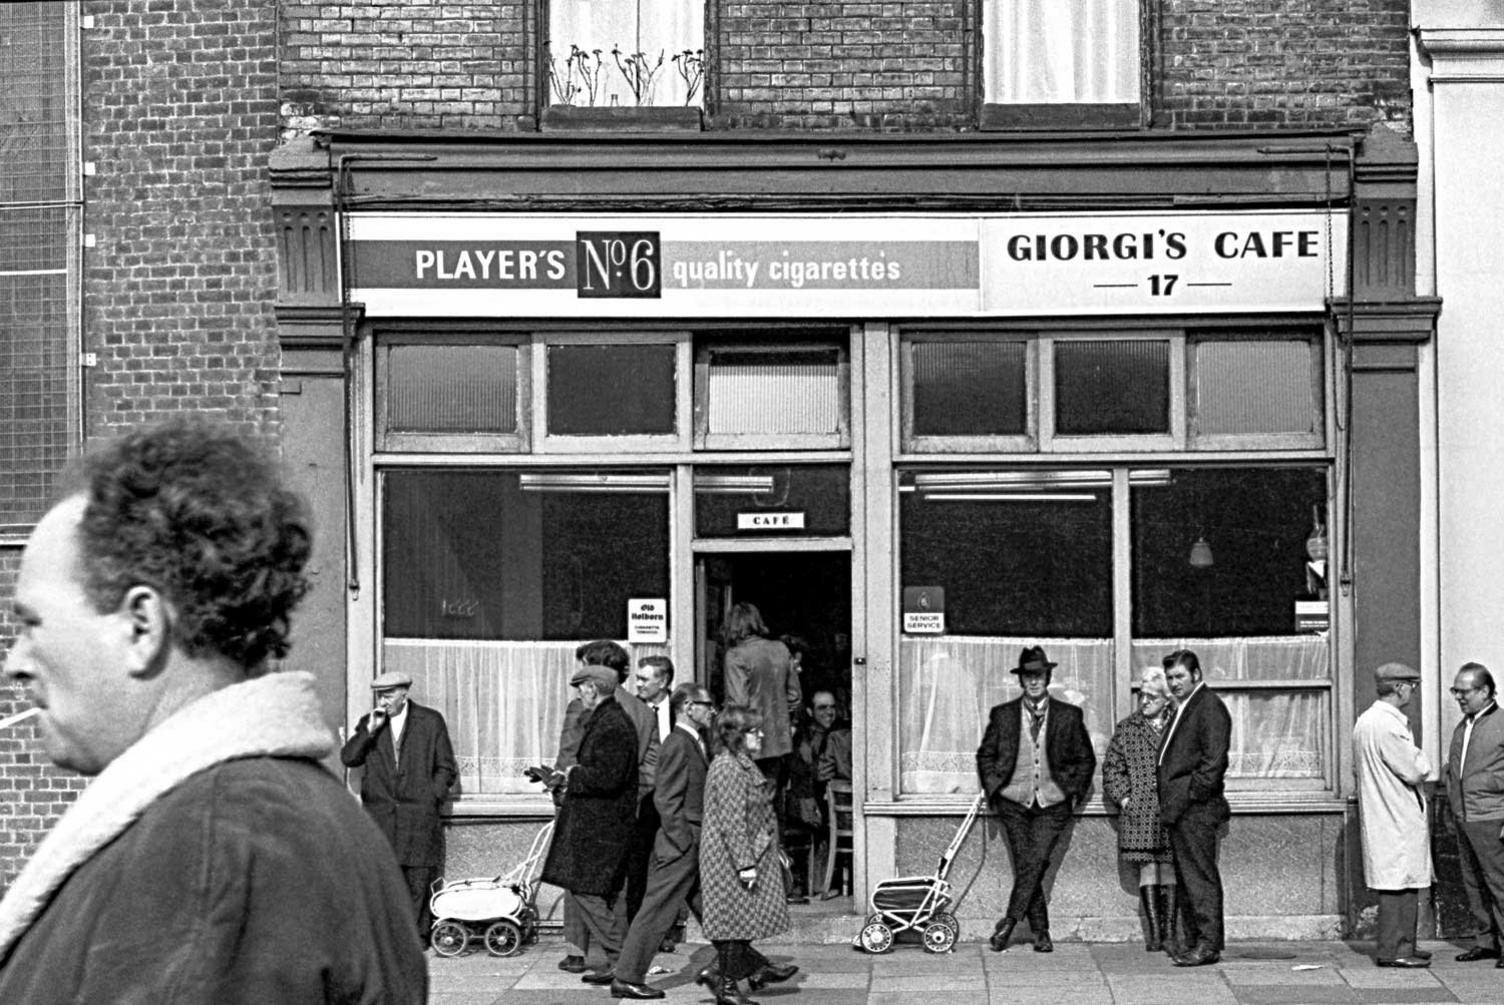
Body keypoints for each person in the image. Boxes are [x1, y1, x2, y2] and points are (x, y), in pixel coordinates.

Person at [0, 419, 426, 1003]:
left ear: (141, 627)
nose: (16, 662)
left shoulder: (206, 851)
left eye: (32, 625)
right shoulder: (268, 815)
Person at [976, 645, 1097, 953]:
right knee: (1028, 865)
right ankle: (1041, 933)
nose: (1034, 681)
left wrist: (1072, 792)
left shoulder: (1069, 715)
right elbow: (986, 755)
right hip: (1013, 802)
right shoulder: (1002, 715)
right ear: (1021, 680)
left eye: (1039, 675)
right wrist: (995, 789)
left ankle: (1009, 923)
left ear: (1048, 677)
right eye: (1028, 676)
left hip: (1052, 803)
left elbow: (1086, 759)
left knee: (1036, 860)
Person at [554, 641, 660, 973]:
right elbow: (651, 767)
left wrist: (562, 788)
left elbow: (569, 757)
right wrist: (630, 798)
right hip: (627, 813)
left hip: (589, 808)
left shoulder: (583, 708)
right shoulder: (643, 710)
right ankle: (621, 958)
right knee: (618, 887)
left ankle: (579, 950)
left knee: (579, 881)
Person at [610, 683, 716, 1000]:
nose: (712, 710)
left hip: (692, 841)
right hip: (680, 843)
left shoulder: (696, 741)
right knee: (656, 911)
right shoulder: (676, 743)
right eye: (705, 704)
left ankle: (750, 964)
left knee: (714, 910)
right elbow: (666, 798)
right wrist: (683, 839)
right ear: (687, 707)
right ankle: (627, 976)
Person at [540, 663, 640, 986]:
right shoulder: (608, 719)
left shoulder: (612, 725)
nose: (579, 693)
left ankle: (623, 958)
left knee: (585, 889)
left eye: (582, 687)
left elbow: (607, 777)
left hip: (602, 827)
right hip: (598, 823)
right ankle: (618, 960)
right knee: (590, 890)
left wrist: (573, 775)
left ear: (593, 689)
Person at [340, 669, 458, 940]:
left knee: (418, 880)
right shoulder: (370, 723)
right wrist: (367, 732)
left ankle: (416, 940)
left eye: (389, 695)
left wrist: (431, 797)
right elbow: (349, 758)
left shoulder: (430, 721)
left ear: (404, 694)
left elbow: (445, 767)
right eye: (380, 695)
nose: (383, 701)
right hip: (381, 817)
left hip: (419, 816)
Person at [699, 705, 798, 1005]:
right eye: (755, 731)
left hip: (747, 853)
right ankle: (729, 986)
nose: (762, 735)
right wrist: (745, 865)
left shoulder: (742, 763)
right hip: (729, 859)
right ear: (738, 736)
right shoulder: (728, 767)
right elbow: (732, 821)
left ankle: (728, 972)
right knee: (734, 923)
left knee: (742, 920)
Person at [1353, 661, 1433, 968]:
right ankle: (1396, 949)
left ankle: (1405, 944)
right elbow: (1415, 769)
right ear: (1398, 687)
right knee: (1398, 884)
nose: (1412, 691)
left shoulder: (1366, 721)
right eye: (1411, 685)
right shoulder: (1388, 724)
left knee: (1401, 881)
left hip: (1384, 811)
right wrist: (1423, 761)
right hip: (1396, 813)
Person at [1157, 649, 1232, 967]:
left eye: (1180, 677)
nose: (1174, 683)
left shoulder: (1209, 707)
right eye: (1170, 678)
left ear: (1197, 675)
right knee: (1189, 877)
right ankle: (1194, 941)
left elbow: (1213, 764)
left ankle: (1208, 944)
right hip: (1181, 808)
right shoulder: (1184, 707)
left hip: (1196, 809)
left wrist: (1188, 796)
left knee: (1200, 877)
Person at [1102, 665, 1176, 952]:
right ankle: (1155, 935)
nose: (1144, 701)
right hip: (1141, 811)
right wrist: (1124, 800)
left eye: (1152, 697)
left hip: (1171, 810)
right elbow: (1111, 769)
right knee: (1148, 867)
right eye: (1142, 695)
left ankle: (1170, 933)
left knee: (1169, 866)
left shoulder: (1177, 726)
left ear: (1166, 700)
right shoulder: (1128, 729)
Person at [1444, 661, 1504, 965]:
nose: (1459, 697)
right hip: (1464, 815)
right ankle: (1486, 941)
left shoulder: (1501, 723)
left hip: (1492, 817)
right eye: (1456, 690)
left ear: (1485, 691)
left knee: (1499, 883)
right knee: (1473, 883)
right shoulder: (1463, 725)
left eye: (1464, 691)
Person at [723, 603, 802, 792]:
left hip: (748, 740)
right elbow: (795, 696)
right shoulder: (781, 649)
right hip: (777, 740)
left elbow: (739, 704)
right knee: (771, 798)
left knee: (747, 800)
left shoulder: (735, 655)